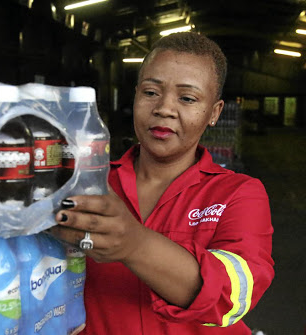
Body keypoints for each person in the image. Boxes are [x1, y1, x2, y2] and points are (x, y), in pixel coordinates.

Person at [49, 32, 274, 334]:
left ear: (214, 113)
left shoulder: (239, 194)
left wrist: (134, 243)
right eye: (151, 92)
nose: (164, 108)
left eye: (187, 98)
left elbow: (231, 296)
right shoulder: (89, 184)